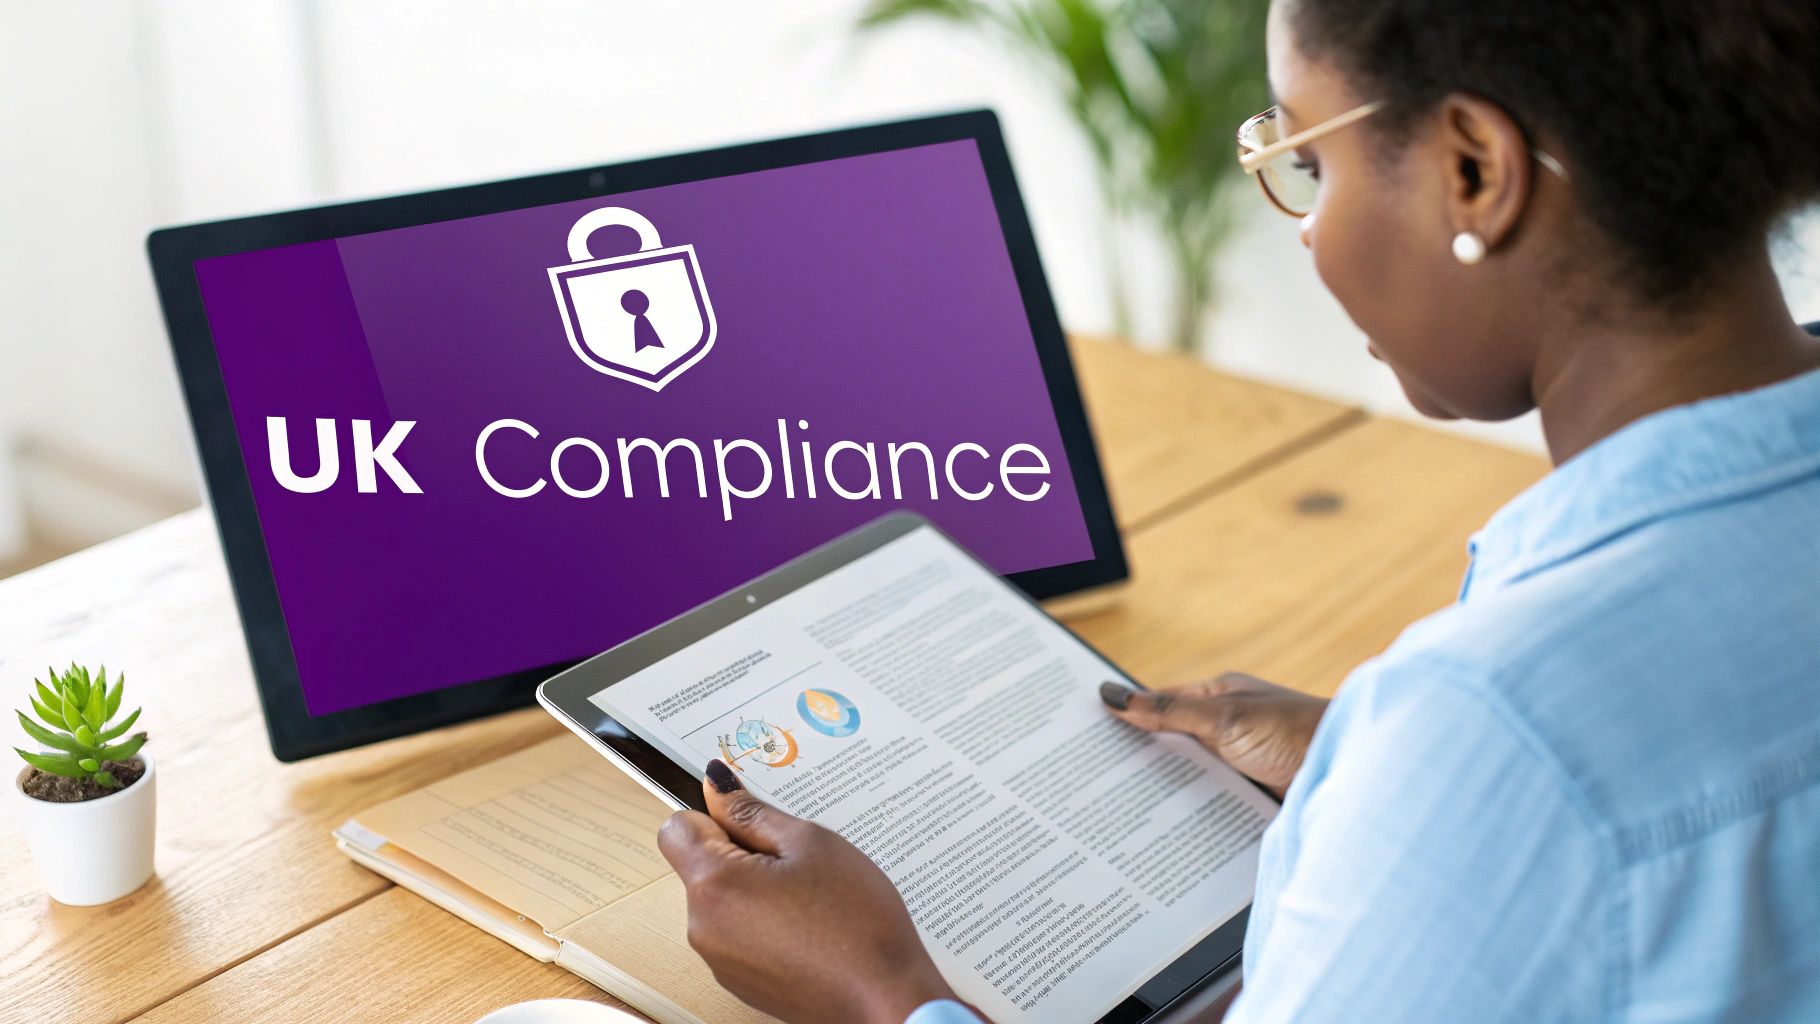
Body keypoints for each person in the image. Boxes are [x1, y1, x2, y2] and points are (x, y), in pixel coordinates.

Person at [653, 0, 1820, 1020]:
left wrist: (885, 993)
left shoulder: (1495, 723)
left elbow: (1564, 763)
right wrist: (1373, 766)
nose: (1302, 222)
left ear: (1472, 167)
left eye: (1306, 157)